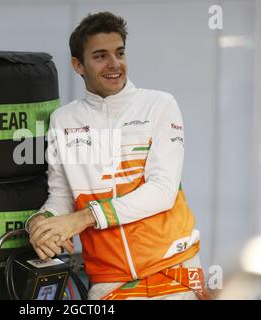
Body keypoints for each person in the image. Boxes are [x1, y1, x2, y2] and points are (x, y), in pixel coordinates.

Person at [25, 11, 207, 300]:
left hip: (173, 268)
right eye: (100, 56)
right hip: (110, 280)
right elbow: (62, 196)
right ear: (78, 65)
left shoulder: (159, 105)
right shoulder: (64, 120)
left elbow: (162, 191)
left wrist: (83, 218)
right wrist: (43, 222)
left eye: (119, 53)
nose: (114, 64)